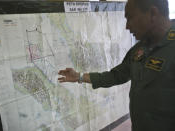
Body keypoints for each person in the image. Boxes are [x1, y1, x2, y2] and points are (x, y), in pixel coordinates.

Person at [58, 0, 175, 131]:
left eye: (130, 18)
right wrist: (79, 77)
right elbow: (117, 75)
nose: (127, 26)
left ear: (153, 13)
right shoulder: (139, 49)